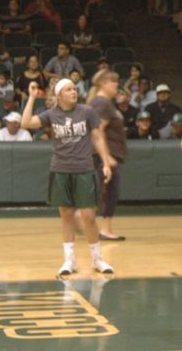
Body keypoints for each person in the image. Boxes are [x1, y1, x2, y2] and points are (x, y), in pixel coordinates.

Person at [21, 79, 115, 276]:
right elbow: (26, 123)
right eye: (68, 89)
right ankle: (69, 261)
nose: (74, 92)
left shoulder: (87, 112)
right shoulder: (51, 115)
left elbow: (98, 137)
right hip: (61, 169)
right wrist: (31, 97)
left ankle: (97, 259)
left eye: (74, 88)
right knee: (66, 215)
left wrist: (106, 162)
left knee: (89, 216)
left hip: (84, 169)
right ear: (59, 95)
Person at [90, 70, 128, 241]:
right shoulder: (102, 104)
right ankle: (103, 229)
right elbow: (98, 131)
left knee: (109, 192)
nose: (116, 86)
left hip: (108, 155)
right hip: (105, 156)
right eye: (114, 82)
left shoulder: (105, 104)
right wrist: (106, 158)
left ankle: (105, 228)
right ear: (103, 83)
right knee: (108, 192)